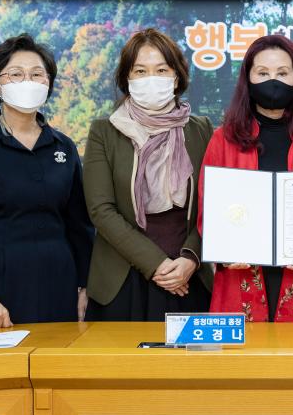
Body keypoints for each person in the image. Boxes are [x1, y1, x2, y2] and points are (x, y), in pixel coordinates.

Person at [0, 34, 93, 328]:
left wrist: (85, 285)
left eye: (37, 74)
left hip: (58, 285)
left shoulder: (64, 147)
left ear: (48, 83)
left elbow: (80, 224)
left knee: (57, 357)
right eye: (16, 74)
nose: (28, 81)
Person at [198, 35, 293, 322]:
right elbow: (206, 211)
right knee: (240, 352)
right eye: (262, 73)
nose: (273, 81)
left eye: (283, 73)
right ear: (247, 80)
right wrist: (223, 249)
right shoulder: (223, 140)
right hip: (240, 275)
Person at [84, 29, 213, 321]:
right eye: (140, 71)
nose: (151, 79)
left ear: (176, 77)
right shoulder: (104, 131)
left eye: (161, 70)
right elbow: (101, 210)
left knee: (192, 353)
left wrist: (190, 258)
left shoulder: (201, 129)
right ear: (127, 79)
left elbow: (214, 205)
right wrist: (156, 264)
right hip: (124, 277)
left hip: (188, 276)